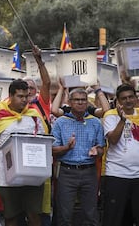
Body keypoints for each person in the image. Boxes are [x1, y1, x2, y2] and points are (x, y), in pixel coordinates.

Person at [0, 79, 49, 226]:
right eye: (20, 96)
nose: (24, 100)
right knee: (10, 216)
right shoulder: (0, 116)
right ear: (10, 96)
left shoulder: (33, 116)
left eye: (26, 96)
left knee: (34, 215)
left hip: (33, 176)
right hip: (8, 177)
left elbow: (43, 142)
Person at [52, 88, 105, 226]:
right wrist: (67, 147)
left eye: (83, 100)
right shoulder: (60, 122)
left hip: (89, 171)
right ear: (69, 102)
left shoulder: (95, 122)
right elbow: (52, 149)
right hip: (67, 172)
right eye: (77, 100)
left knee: (91, 213)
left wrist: (97, 151)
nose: (80, 103)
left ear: (87, 102)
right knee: (65, 214)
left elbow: (101, 148)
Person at [102, 83, 139, 226]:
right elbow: (112, 140)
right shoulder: (110, 116)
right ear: (118, 101)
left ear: (136, 98)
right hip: (117, 174)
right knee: (114, 219)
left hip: (138, 176)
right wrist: (123, 120)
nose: (128, 101)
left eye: (131, 97)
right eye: (124, 98)